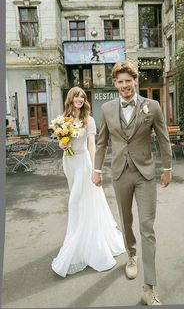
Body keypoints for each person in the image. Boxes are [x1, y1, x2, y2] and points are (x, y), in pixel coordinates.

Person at [92, 61, 172, 305]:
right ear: (115, 83)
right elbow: (102, 141)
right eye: (120, 81)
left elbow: (163, 137)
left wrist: (167, 167)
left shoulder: (152, 106)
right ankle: (131, 255)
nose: (125, 85)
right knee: (126, 221)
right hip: (120, 173)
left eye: (129, 80)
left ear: (135, 81)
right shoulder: (106, 108)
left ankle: (148, 287)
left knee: (147, 227)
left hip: (145, 173)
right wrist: (96, 169)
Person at [51, 87, 125, 277]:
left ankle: (76, 242)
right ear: (70, 98)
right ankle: (78, 237)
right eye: (76, 96)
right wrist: (62, 144)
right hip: (69, 163)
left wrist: (95, 168)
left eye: (82, 97)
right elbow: (61, 143)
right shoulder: (63, 120)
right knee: (79, 200)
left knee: (75, 201)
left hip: (84, 163)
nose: (80, 99)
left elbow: (92, 145)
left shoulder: (89, 120)